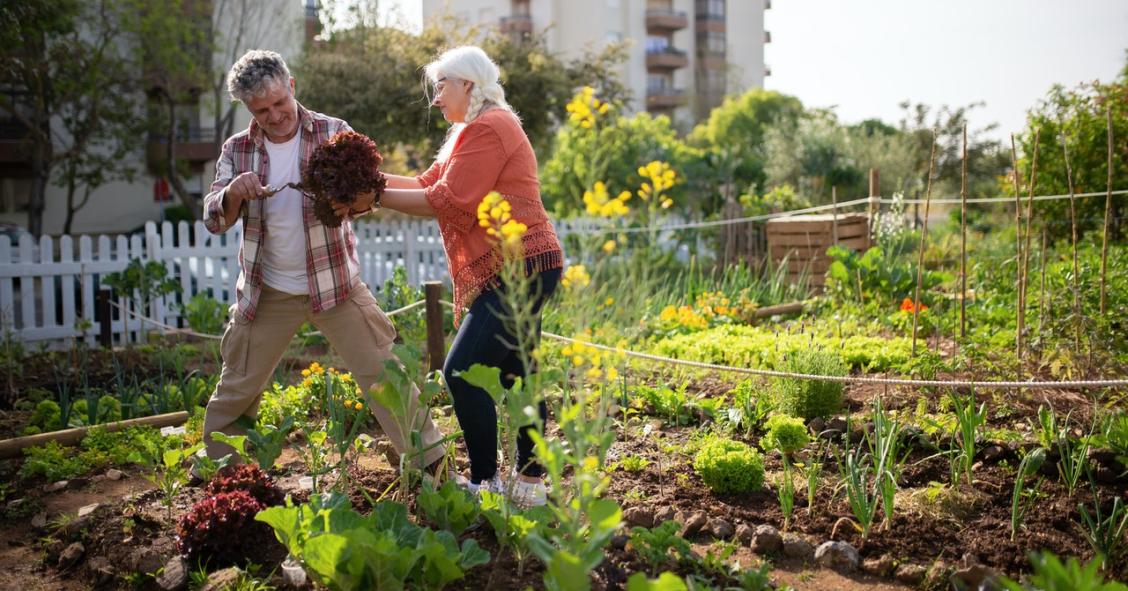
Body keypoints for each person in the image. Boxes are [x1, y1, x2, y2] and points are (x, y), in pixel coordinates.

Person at [199, 50, 445, 475]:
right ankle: (221, 476)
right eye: (262, 110)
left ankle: (432, 468)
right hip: (268, 291)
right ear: (247, 109)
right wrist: (233, 193)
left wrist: (352, 199)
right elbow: (213, 218)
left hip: (336, 287)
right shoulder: (236, 150)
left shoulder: (334, 133)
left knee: (387, 374)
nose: (274, 116)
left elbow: (369, 197)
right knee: (238, 386)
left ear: (291, 86)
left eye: (279, 103)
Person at [343, 46, 563, 507]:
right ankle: (530, 485)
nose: (436, 98)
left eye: (441, 86)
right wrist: (367, 182)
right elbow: (428, 185)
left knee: (461, 372)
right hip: (524, 263)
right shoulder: (472, 130)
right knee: (520, 374)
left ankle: (487, 482)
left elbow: (449, 200)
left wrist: (372, 195)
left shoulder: (491, 126)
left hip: (519, 266)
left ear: (467, 83)